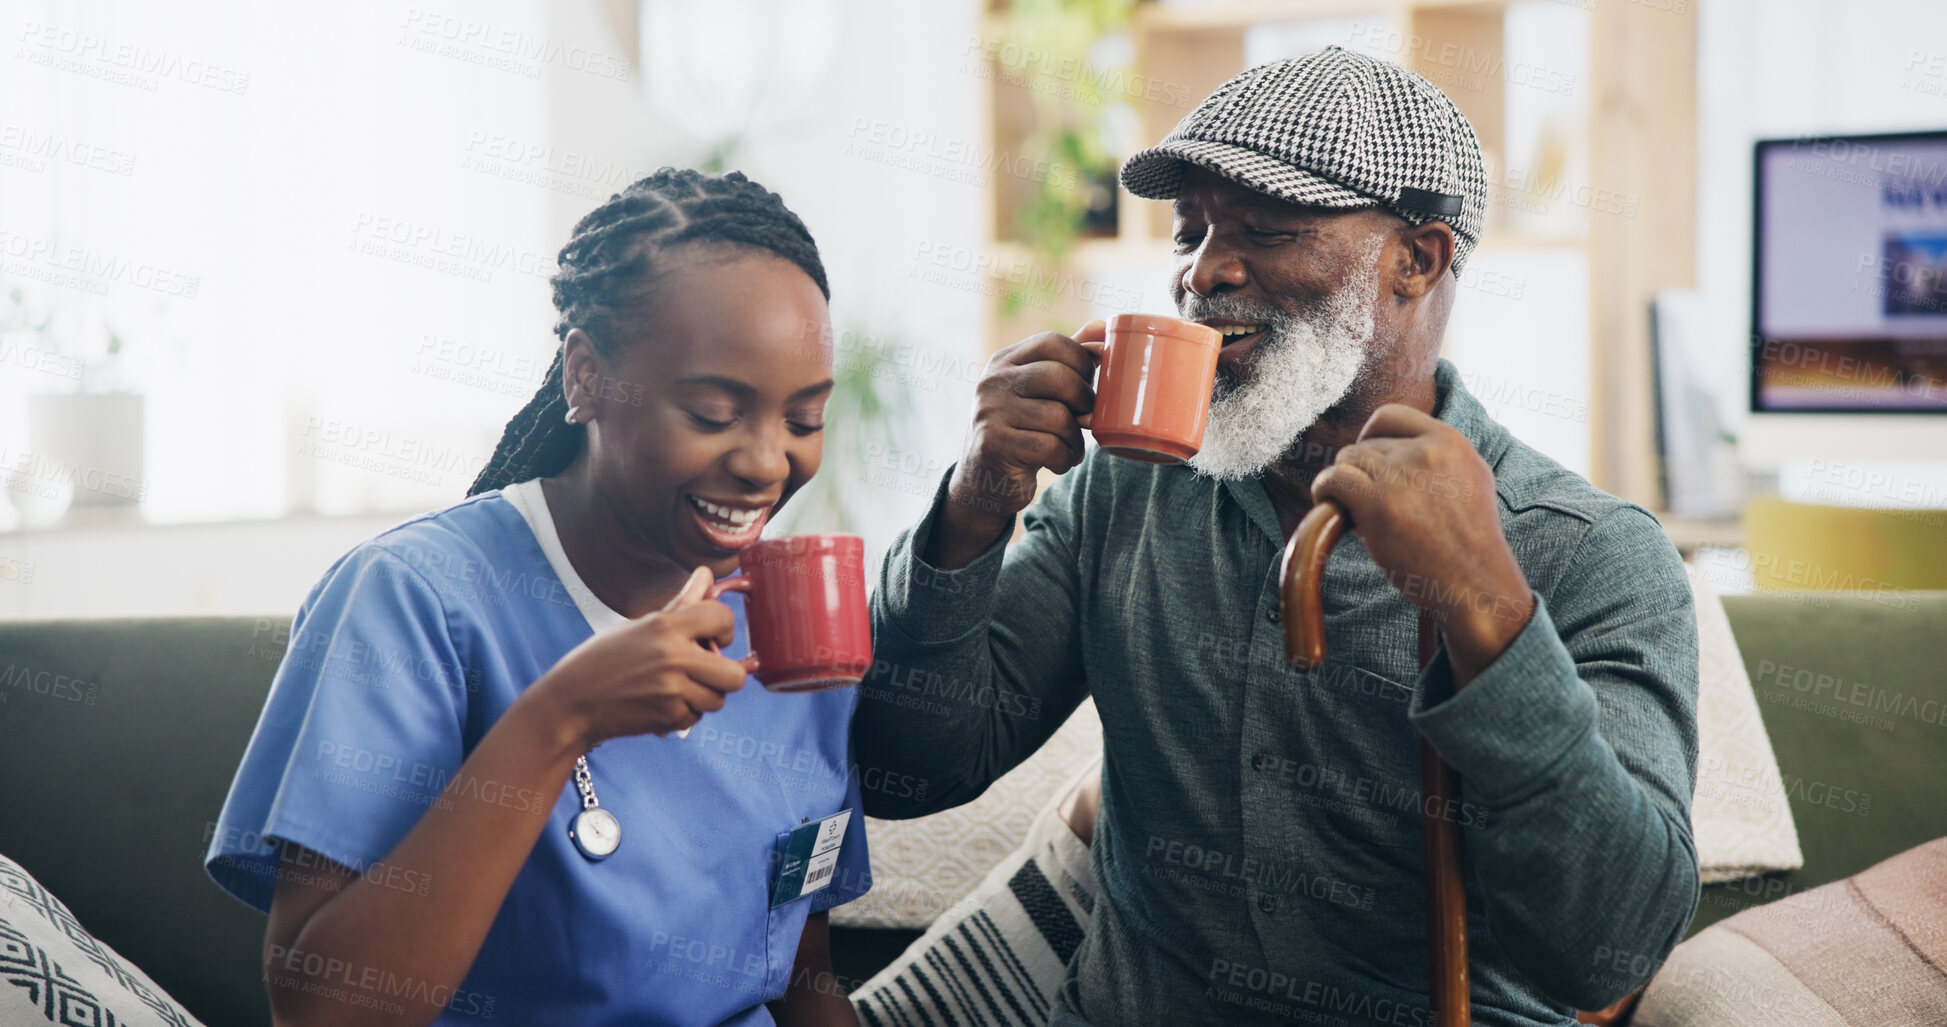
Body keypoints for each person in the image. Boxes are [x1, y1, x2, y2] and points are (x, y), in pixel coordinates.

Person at [852, 47, 1699, 1027]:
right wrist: (970, 511)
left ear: (1416, 259)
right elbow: (902, 769)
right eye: (1191, 232)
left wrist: (1490, 614)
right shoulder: (1122, 492)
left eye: (1267, 228)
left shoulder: (1589, 553)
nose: (1204, 270)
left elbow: (1608, 951)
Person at [206, 169, 869, 1027]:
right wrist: (561, 717)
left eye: (803, 419)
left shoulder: (791, 627)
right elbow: (325, 1014)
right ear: (586, 376)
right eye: (712, 412)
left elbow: (799, 975)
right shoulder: (412, 601)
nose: (766, 461)